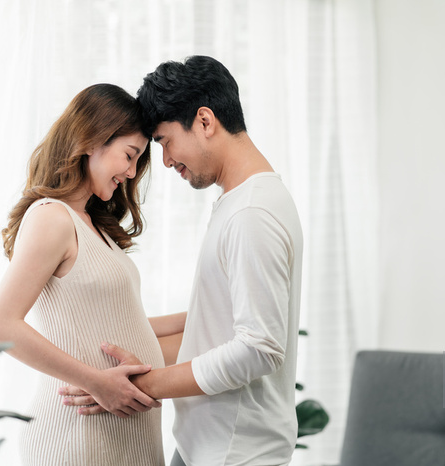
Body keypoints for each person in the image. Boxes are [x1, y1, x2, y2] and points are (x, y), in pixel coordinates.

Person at [61, 56, 304, 466]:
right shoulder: (241, 203)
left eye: (163, 141)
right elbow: (216, 325)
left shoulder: (251, 214)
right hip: (208, 449)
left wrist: (145, 386)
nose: (167, 160)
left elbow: (259, 348)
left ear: (205, 121)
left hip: (234, 454)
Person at [0, 83, 166, 466]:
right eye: (129, 156)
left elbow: (120, 325)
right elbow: (0, 325)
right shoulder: (53, 216)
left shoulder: (92, 225)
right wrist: (96, 382)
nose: (131, 173)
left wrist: (210, 313)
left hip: (117, 434)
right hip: (79, 436)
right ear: (92, 139)